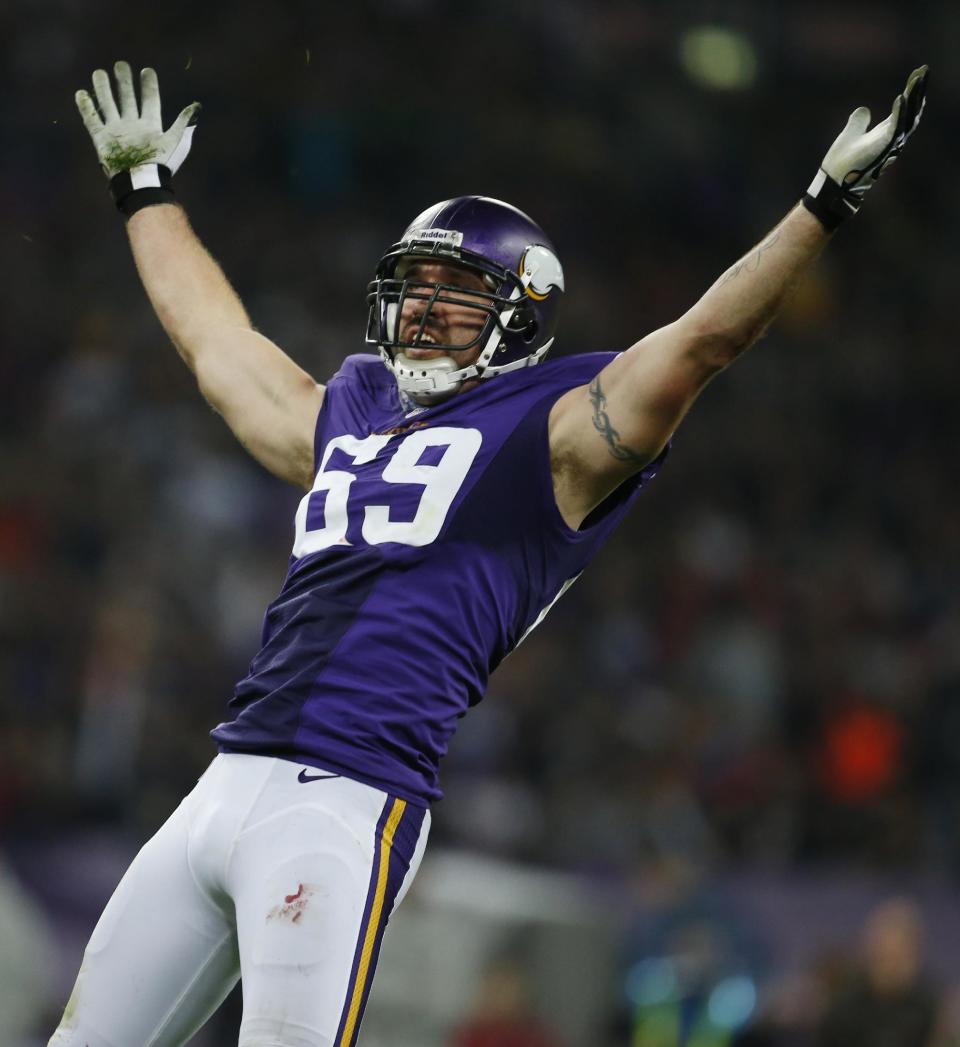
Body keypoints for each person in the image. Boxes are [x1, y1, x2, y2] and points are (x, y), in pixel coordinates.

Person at [51, 59, 927, 1047]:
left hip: (347, 798)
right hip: (221, 783)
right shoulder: (350, 406)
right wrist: (145, 193)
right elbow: (215, 345)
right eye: (411, 289)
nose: (421, 312)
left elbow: (702, 342)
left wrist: (819, 207)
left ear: (524, 310)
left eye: (454, 294)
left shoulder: (550, 434)